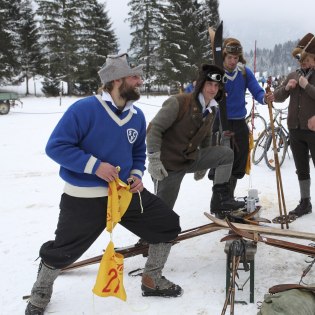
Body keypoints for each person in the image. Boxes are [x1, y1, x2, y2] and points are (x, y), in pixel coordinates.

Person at [25, 53, 183, 315]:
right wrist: (95, 166)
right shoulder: (84, 109)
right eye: (135, 76)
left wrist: (136, 174)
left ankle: (152, 279)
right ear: (116, 80)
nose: (140, 81)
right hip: (84, 196)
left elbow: (137, 153)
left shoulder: (136, 116)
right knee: (62, 253)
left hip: (124, 194)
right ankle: (40, 293)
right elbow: (56, 147)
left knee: (167, 224)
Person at [146, 64, 244, 219]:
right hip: (167, 166)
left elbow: (206, 136)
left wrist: (204, 163)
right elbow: (154, 129)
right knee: (162, 214)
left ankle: (220, 200)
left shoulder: (212, 109)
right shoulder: (179, 102)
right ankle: (148, 238)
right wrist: (154, 159)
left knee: (226, 154)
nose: (213, 89)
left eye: (216, 85)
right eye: (209, 84)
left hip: (189, 159)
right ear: (200, 84)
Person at [208, 38, 274, 200]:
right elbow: (202, 92)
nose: (232, 61)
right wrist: (216, 94)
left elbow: (256, 91)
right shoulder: (216, 73)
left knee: (238, 162)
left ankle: (228, 198)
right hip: (220, 122)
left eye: (236, 58)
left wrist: (265, 98)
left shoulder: (244, 72)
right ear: (223, 56)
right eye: (229, 57)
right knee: (222, 161)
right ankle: (218, 201)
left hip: (239, 122)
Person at [273, 33, 315, 217]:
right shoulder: (293, 74)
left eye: (305, 59)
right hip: (295, 130)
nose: (302, 63)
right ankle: (305, 202)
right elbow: (277, 96)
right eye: (300, 60)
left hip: (313, 131)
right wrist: (287, 87)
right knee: (301, 168)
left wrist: (306, 85)